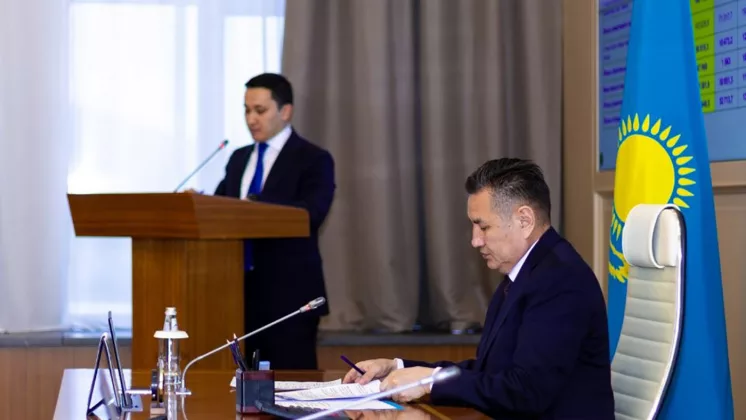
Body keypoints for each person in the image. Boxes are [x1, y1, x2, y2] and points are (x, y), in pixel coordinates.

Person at [343, 158, 614, 419]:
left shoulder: (559, 280)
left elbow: (525, 392)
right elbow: (490, 372)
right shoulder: (526, 272)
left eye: (483, 227)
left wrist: (430, 382)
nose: (475, 241)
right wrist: (399, 367)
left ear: (524, 220)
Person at [213, 73, 335, 370]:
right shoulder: (238, 158)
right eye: (246, 110)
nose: (251, 119)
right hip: (237, 296)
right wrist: (199, 202)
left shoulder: (313, 158)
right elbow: (221, 207)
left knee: (291, 385)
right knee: (240, 387)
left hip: (289, 298)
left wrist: (257, 205)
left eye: (260, 110)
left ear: (285, 111)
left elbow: (312, 213)